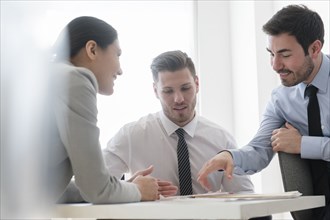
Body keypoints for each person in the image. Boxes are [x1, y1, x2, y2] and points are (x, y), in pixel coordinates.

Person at [197, 5, 329, 220]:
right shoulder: (281, 99)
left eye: (285, 55)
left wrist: (303, 144)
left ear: (314, 49)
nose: (276, 65)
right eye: (271, 54)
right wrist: (229, 156)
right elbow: (259, 149)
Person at [103, 50, 254, 196]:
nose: (179, 99)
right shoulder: (131, 135)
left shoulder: (222, 139)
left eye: (185, 88)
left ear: (197, 84)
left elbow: (244, 197)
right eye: (168, 91)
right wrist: (132, 189)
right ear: (156, 91)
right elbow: (94, 186)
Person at [49, 16, 160, 204]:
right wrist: (138, 191)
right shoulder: (75, 79)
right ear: (92, 49)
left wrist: (123, 187)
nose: (120, 70)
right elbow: (98, 190)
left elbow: (49, 189)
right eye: (118, 55)